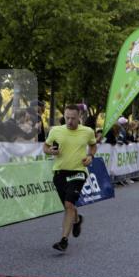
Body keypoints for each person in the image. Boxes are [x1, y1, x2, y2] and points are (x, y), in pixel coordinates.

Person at [43, 104, 97, 252]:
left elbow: (93, 146)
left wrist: (90, 156)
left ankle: (64, 241)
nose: (69, 121)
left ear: (80, 117)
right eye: (67, 118)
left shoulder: (87, 131)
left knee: (68, 204)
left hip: (78, 172)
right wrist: (51, 151)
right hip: (60, 172)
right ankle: (77, 220)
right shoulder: (55, 130)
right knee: (69, 206)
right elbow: (45, 147)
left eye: (73, 118)